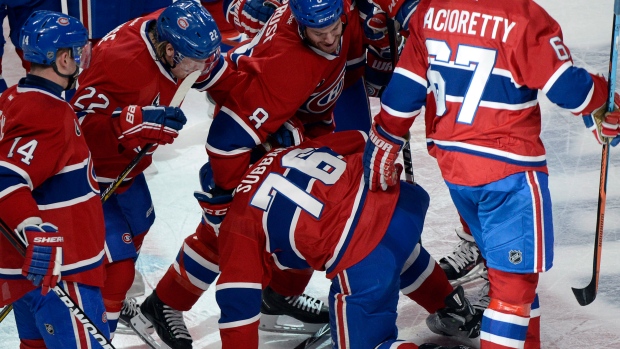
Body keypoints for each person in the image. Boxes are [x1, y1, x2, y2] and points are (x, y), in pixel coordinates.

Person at [137, 0, 427, 347]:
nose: (332, 36)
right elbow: (226, 142)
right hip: (258, 139)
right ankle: (166, 301)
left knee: (309, 217)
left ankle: (280, 295)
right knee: (238, 231)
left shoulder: (336, 14)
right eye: (321, 32)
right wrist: (234, 196)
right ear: (302, 26)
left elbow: (351, 65)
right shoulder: (287, 67)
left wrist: (381, 66)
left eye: (336, 26)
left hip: (298, 126)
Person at [362, 0, 620, 348]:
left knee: (512, 279)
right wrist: (605, 103)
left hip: (457, 171)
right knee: (513, 293)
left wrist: (386, 136)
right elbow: (568, 90)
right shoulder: (523, 17)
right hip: (509, 175)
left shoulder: (431, 11)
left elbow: (404, 91)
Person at [212, 130, 475, 349]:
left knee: (365, 343)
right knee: (402, 254)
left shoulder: (237, 221)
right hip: (402, 204)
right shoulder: (287, 152)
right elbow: (362, 137)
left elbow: (238, 309)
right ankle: (452, 306)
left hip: (361, 251)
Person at [69, 0, 221, 339]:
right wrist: (127, 124)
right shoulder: (116, 63)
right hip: (87, 176)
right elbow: (73, 126)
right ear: (170, 51)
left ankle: (104, 296)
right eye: (196, 63)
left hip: (128, 168)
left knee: (141, 224)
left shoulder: (173, 32)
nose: (203, 70)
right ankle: (96, 332)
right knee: (119, 268)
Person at [0, 10, 110, 348]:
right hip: (62, 271)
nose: (82, 60)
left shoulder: (15, 97)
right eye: (79, 52)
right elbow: (6, 177)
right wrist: (35, 229)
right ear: (63, 60)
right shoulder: (48, 113)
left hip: (32, 269)